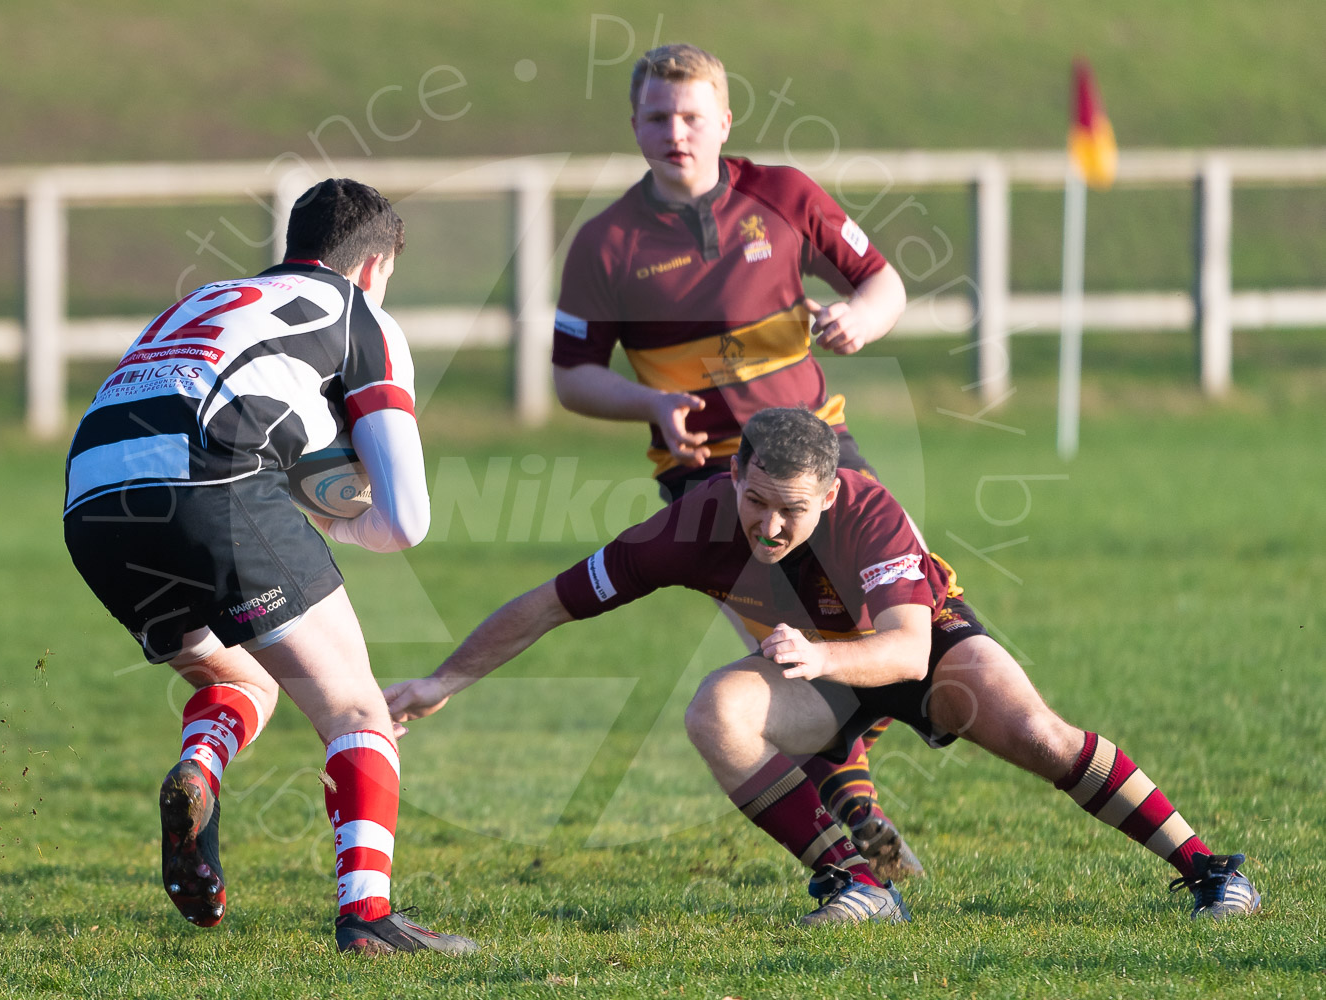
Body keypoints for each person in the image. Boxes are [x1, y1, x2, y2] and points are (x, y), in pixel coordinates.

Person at [385, 408, 1261, 925]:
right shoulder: (687, 527)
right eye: (756, 501)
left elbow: (910, 649)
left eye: (791, 512)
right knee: (715, 713)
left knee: (1038, 733)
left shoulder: (867, 509)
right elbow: (547, 602)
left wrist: (820, 653)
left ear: (832, 495)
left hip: (921, 644)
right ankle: (858, 879)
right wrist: (442, 682)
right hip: (823, 671)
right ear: (734, 475)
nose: (768, 525)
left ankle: (1210, 869)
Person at [62, 178, 475, 955]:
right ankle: (368, 917)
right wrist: (328, 515)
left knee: (236, 680)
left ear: (294, 245)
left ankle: (198, 773)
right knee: (357, 708)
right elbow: (406, 522)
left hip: (91, 496)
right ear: (375, 266)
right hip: (211, 485)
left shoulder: (208, 298)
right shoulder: (362, 316)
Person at [552, 42, 914, 877]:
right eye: (655, 117)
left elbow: (883, 281)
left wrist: (864, 317)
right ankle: (847, 795)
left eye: (689, 115)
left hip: (825, 454)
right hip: (712, 480)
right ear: (634, 125)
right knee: (788, 636)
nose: (673, 132)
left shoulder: (783, 196)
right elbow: (571, 379)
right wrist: (644, 402)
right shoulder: (605, 244)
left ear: (723, 119)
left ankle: (847, 771)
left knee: (892, 617)